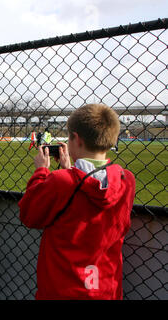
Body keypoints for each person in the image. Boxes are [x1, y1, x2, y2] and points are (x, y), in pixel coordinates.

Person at [18, 104, 135, 300]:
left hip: (62, 289)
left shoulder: (61, 181)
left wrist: (41, 172)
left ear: (76, 139)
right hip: (106, 287)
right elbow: (92, 188)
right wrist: (70, 170)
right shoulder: (126, 179)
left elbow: (29, 215)